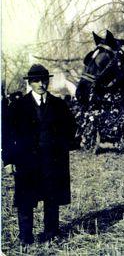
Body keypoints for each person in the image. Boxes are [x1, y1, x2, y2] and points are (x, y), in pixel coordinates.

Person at [2, 64, 76, 245]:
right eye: (36, 80)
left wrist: (61, 146)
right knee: (25, 201)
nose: (41, 84)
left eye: (44, 80)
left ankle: (51, 234)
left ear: (48, 81)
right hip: (26, 162)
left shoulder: (59, 105)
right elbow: (7, 134)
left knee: (52, 198)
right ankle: (25, 238)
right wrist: (8, 160)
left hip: (53, 161)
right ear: (30, 82)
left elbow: (71, 128)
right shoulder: (18, 106)